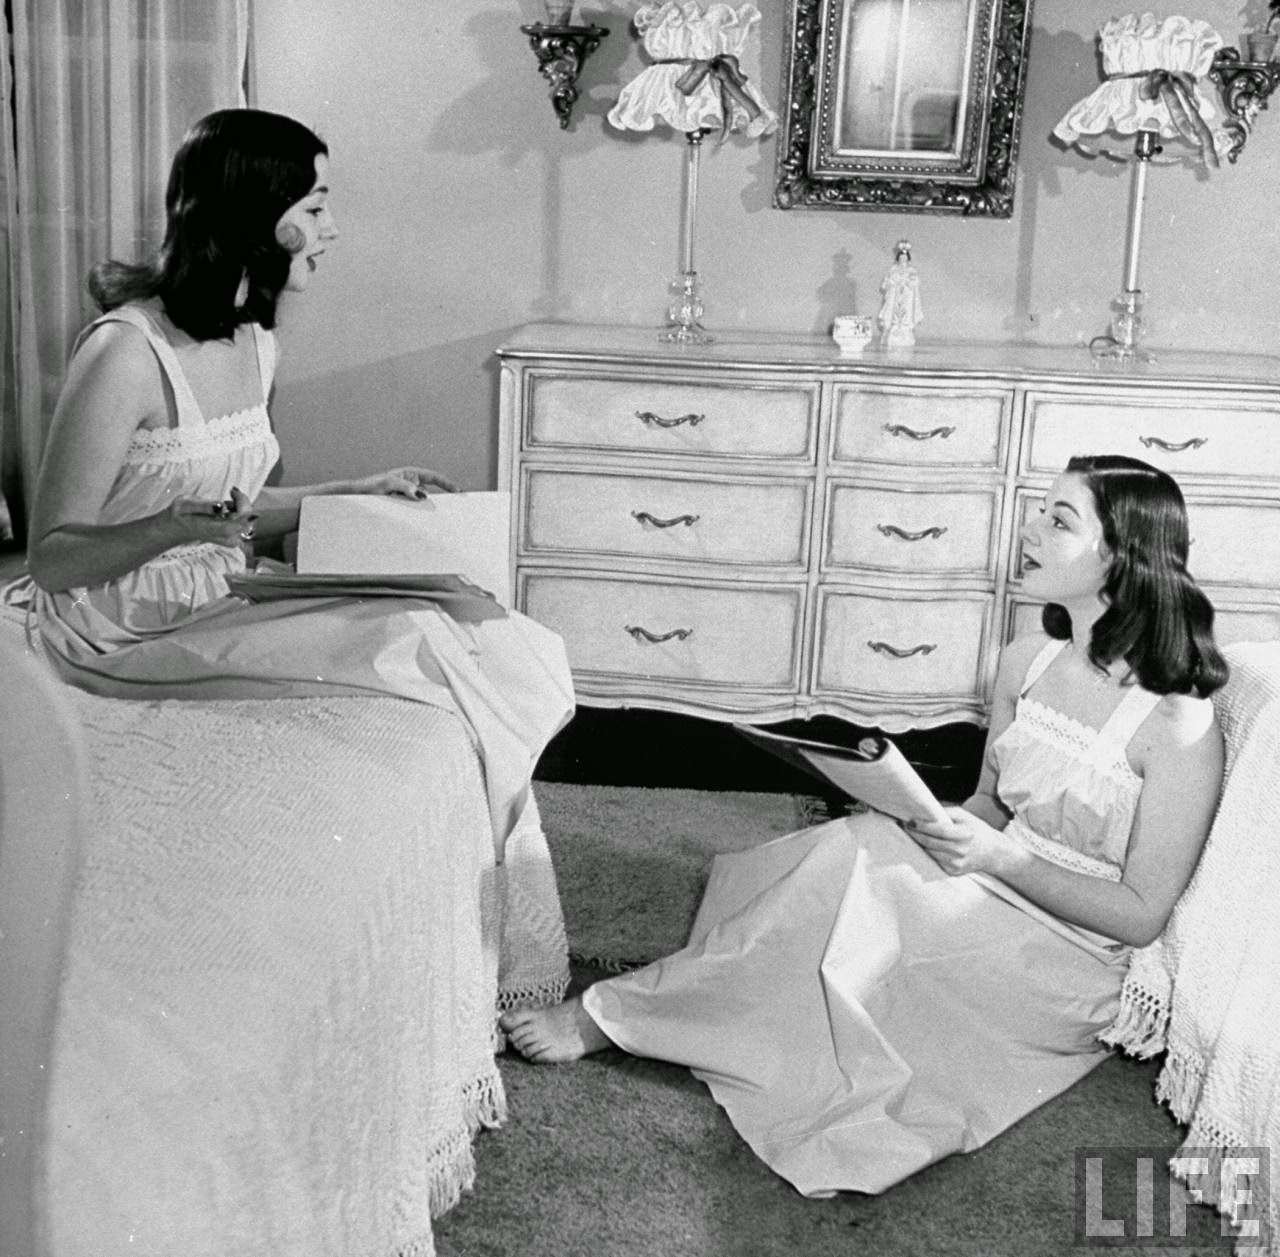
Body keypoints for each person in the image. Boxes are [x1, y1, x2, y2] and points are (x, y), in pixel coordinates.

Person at [502, 453, 1228, 1197]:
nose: (1030, 531)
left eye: (1059, 519)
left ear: (1122, 557)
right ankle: (679, 1003)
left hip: (1070, 955)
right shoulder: (1027, 660)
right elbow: (989, 804)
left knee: (855, 896)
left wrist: (992, 859)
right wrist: (922, 814)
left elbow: (1140, 916)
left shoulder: (1177, 726)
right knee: (846, 850)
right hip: (993, 873)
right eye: (1038, 511)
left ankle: (615, 1014)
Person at [14, 108, 574, 857]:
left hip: (211, 593)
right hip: (107, 626)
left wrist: (352, 489)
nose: (332, 228)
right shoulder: (124, 354)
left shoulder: (255, 339)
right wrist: (173, 528)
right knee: (415, 646)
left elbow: (227, 513)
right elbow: (53, 559)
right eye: (314, 206)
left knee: (477, 630)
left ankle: (502, 864)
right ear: (256, 218)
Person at [878, 239, 923, 348]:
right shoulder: (893, 269)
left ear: (908, 258)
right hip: (895, 296)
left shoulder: (912, 270)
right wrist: (893, 282)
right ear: (898, 258)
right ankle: (893, 331)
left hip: (907, 295)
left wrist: (908, 282)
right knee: (894, 313)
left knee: (906, 313)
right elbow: (886, 283)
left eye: (905, 258)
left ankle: (905, 332)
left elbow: (915, 282)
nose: (903, 260)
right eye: (901, 258)